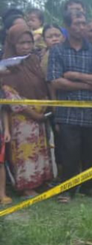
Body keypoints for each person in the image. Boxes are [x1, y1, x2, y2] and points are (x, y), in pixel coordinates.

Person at [47, 10, 92, 202]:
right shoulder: (57, 51)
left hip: (91, 110)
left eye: (84, 24)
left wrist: (75, 76)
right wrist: (87, 85)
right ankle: (68, 190)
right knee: (69, 152)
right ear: (68, 26)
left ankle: (90, 187)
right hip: (67, 111)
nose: (82, 28)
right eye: (77, 24)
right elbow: (56, 81)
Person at [1, 24, 53, 198]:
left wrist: (44, 106)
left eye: (29, 42)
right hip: (21, 118)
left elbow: (41, 83)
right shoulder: (7, 67)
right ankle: (26, 187)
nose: (26, 47)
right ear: (13, 43)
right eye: (21, 43)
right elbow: (10, 95)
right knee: (25, 153)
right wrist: (33, 114)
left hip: (39, 115)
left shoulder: (33, 61)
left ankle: (40, 181)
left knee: (40, 150)